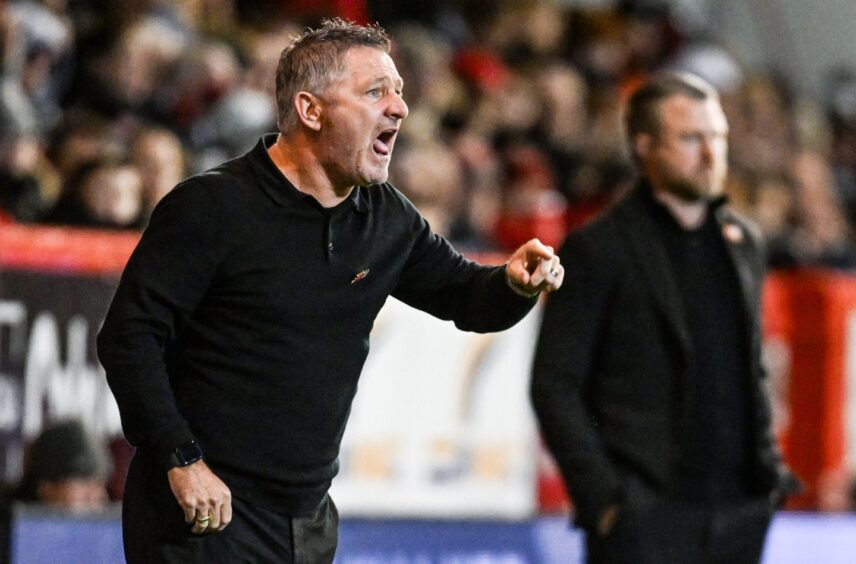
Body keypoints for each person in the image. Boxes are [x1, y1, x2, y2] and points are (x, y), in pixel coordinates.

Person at [97, 18, 564, 564]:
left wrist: (511, 284)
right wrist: (181, 460)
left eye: (399, 92)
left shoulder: (385, 217)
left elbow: (463, 295)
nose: (399, 108)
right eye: (375, 92)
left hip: (307, 521)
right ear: (310, 110)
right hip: (203, 513)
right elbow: (130, 338)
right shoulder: (211, 207)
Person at [531, 72, 798, 564]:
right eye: (690, 138)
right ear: (644, 146)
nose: (710, 153)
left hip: (739, 514)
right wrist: (606, 500)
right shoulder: (598, 249)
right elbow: (555, 385)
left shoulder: (745, 244)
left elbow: (751, 367)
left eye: (716, 136)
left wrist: (767, 481)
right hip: (645, 520)